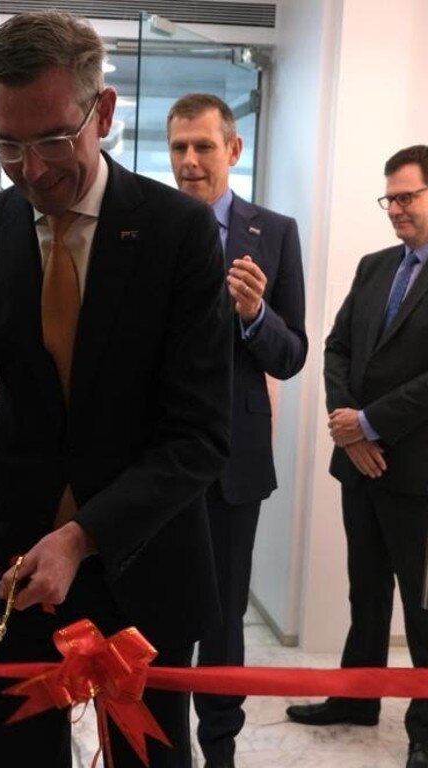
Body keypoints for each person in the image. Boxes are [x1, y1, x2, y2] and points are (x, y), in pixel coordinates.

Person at [0, 11, 233, 768]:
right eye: (7, 142)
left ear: (102, 112)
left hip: (142, 563)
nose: (31, 169)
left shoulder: (177, 235)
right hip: (10, 576)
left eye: (52, 139)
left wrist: (84, 537)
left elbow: (201, 434)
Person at [166, 93, 308, 768]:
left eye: (203, 146)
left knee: (222, 617)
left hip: (232, 459)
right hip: (152, 461)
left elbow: (293, 352)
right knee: (157, 613)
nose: (190, 162)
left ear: (234, 150)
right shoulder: (142, 226)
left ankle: (218, 749)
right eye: (178, 148)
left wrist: (255, 315)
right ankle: (160, 743)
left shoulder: (273, 233)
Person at [285, 144, 428, 768]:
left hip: (417, 472)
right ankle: (357, 697)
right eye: (389, 198)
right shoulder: (376, 267)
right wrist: (348, 429)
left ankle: (425, 725)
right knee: (365, 590)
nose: (394, 209)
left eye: (407, 197)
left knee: (421, 607)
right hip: (360, 466)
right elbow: (337, 348)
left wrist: (370, 423)